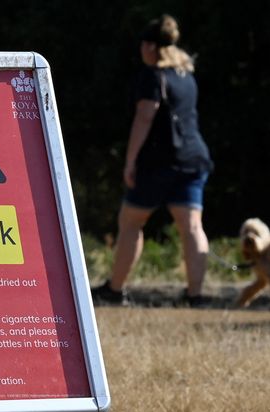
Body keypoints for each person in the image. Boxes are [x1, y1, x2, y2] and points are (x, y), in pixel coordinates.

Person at [92, 14, 213, 306]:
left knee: (132, 221)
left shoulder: (152, 76)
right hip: (193, 158)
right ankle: (195, 295)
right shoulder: (186, 76)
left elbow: (145, 117)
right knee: (192, 226)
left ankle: (115, 289)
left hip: (158, 162)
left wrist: (130, 160)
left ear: (149, 46)